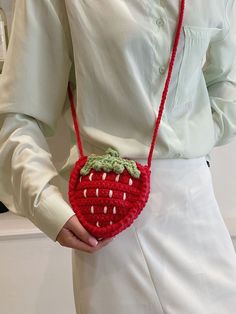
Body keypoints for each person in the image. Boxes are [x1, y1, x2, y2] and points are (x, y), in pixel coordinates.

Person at [0, 0, 236, 313]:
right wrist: (44, 200)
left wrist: (192, 140)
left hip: (197, 208)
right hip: (111, 212)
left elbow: (226, 82)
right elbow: (19, 114)